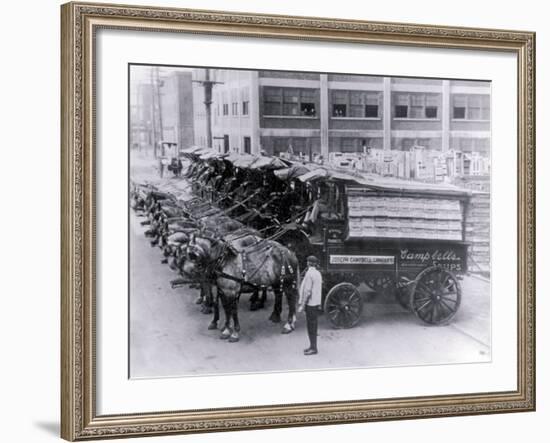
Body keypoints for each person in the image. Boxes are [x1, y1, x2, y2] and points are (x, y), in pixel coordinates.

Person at [298, 255, 323, 355]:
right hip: (316, 303)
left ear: (308, 263)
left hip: (310, 304)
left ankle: (313, 348)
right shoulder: (318, 273)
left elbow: (307, 291)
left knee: (311, 327)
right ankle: (312, 346)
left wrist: (302, 305)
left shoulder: (309, 274)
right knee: (314, 325)